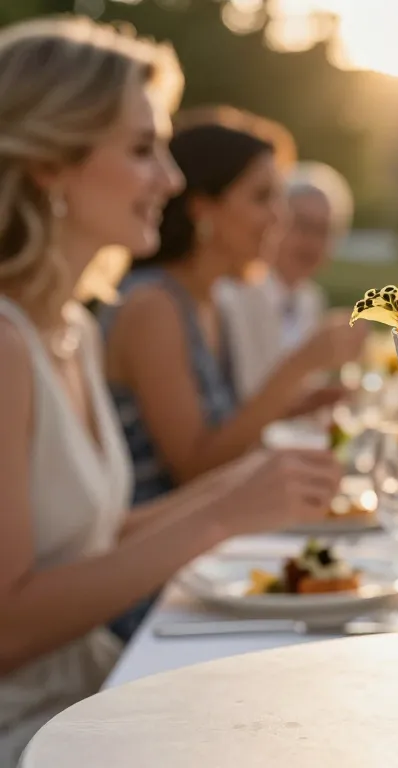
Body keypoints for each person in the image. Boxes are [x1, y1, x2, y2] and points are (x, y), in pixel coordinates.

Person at [0, 17, 342, 762]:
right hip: (36, 732)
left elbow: (91, 541)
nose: (174, 179)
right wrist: (219, 514)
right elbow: (8, 626)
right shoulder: (6, 346)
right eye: (141, 149)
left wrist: (248, 485)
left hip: (92, 690)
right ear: (49, 162)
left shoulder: (68, 328)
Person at [100, 110, 360, 640]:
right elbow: (195, 465)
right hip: (146, 584)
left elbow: (220, 433)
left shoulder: (207, 300)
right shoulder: (153, 305)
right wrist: (298, 366)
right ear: (203, 209)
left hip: (197, 555)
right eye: (263, 197)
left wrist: (294, 406)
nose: (279, 219)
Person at [217, 161, 362, 399]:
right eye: (302, 225)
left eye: (324, 230)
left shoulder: (310, 298)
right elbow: (243, 400)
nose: (312, 242)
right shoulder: (235, 294)